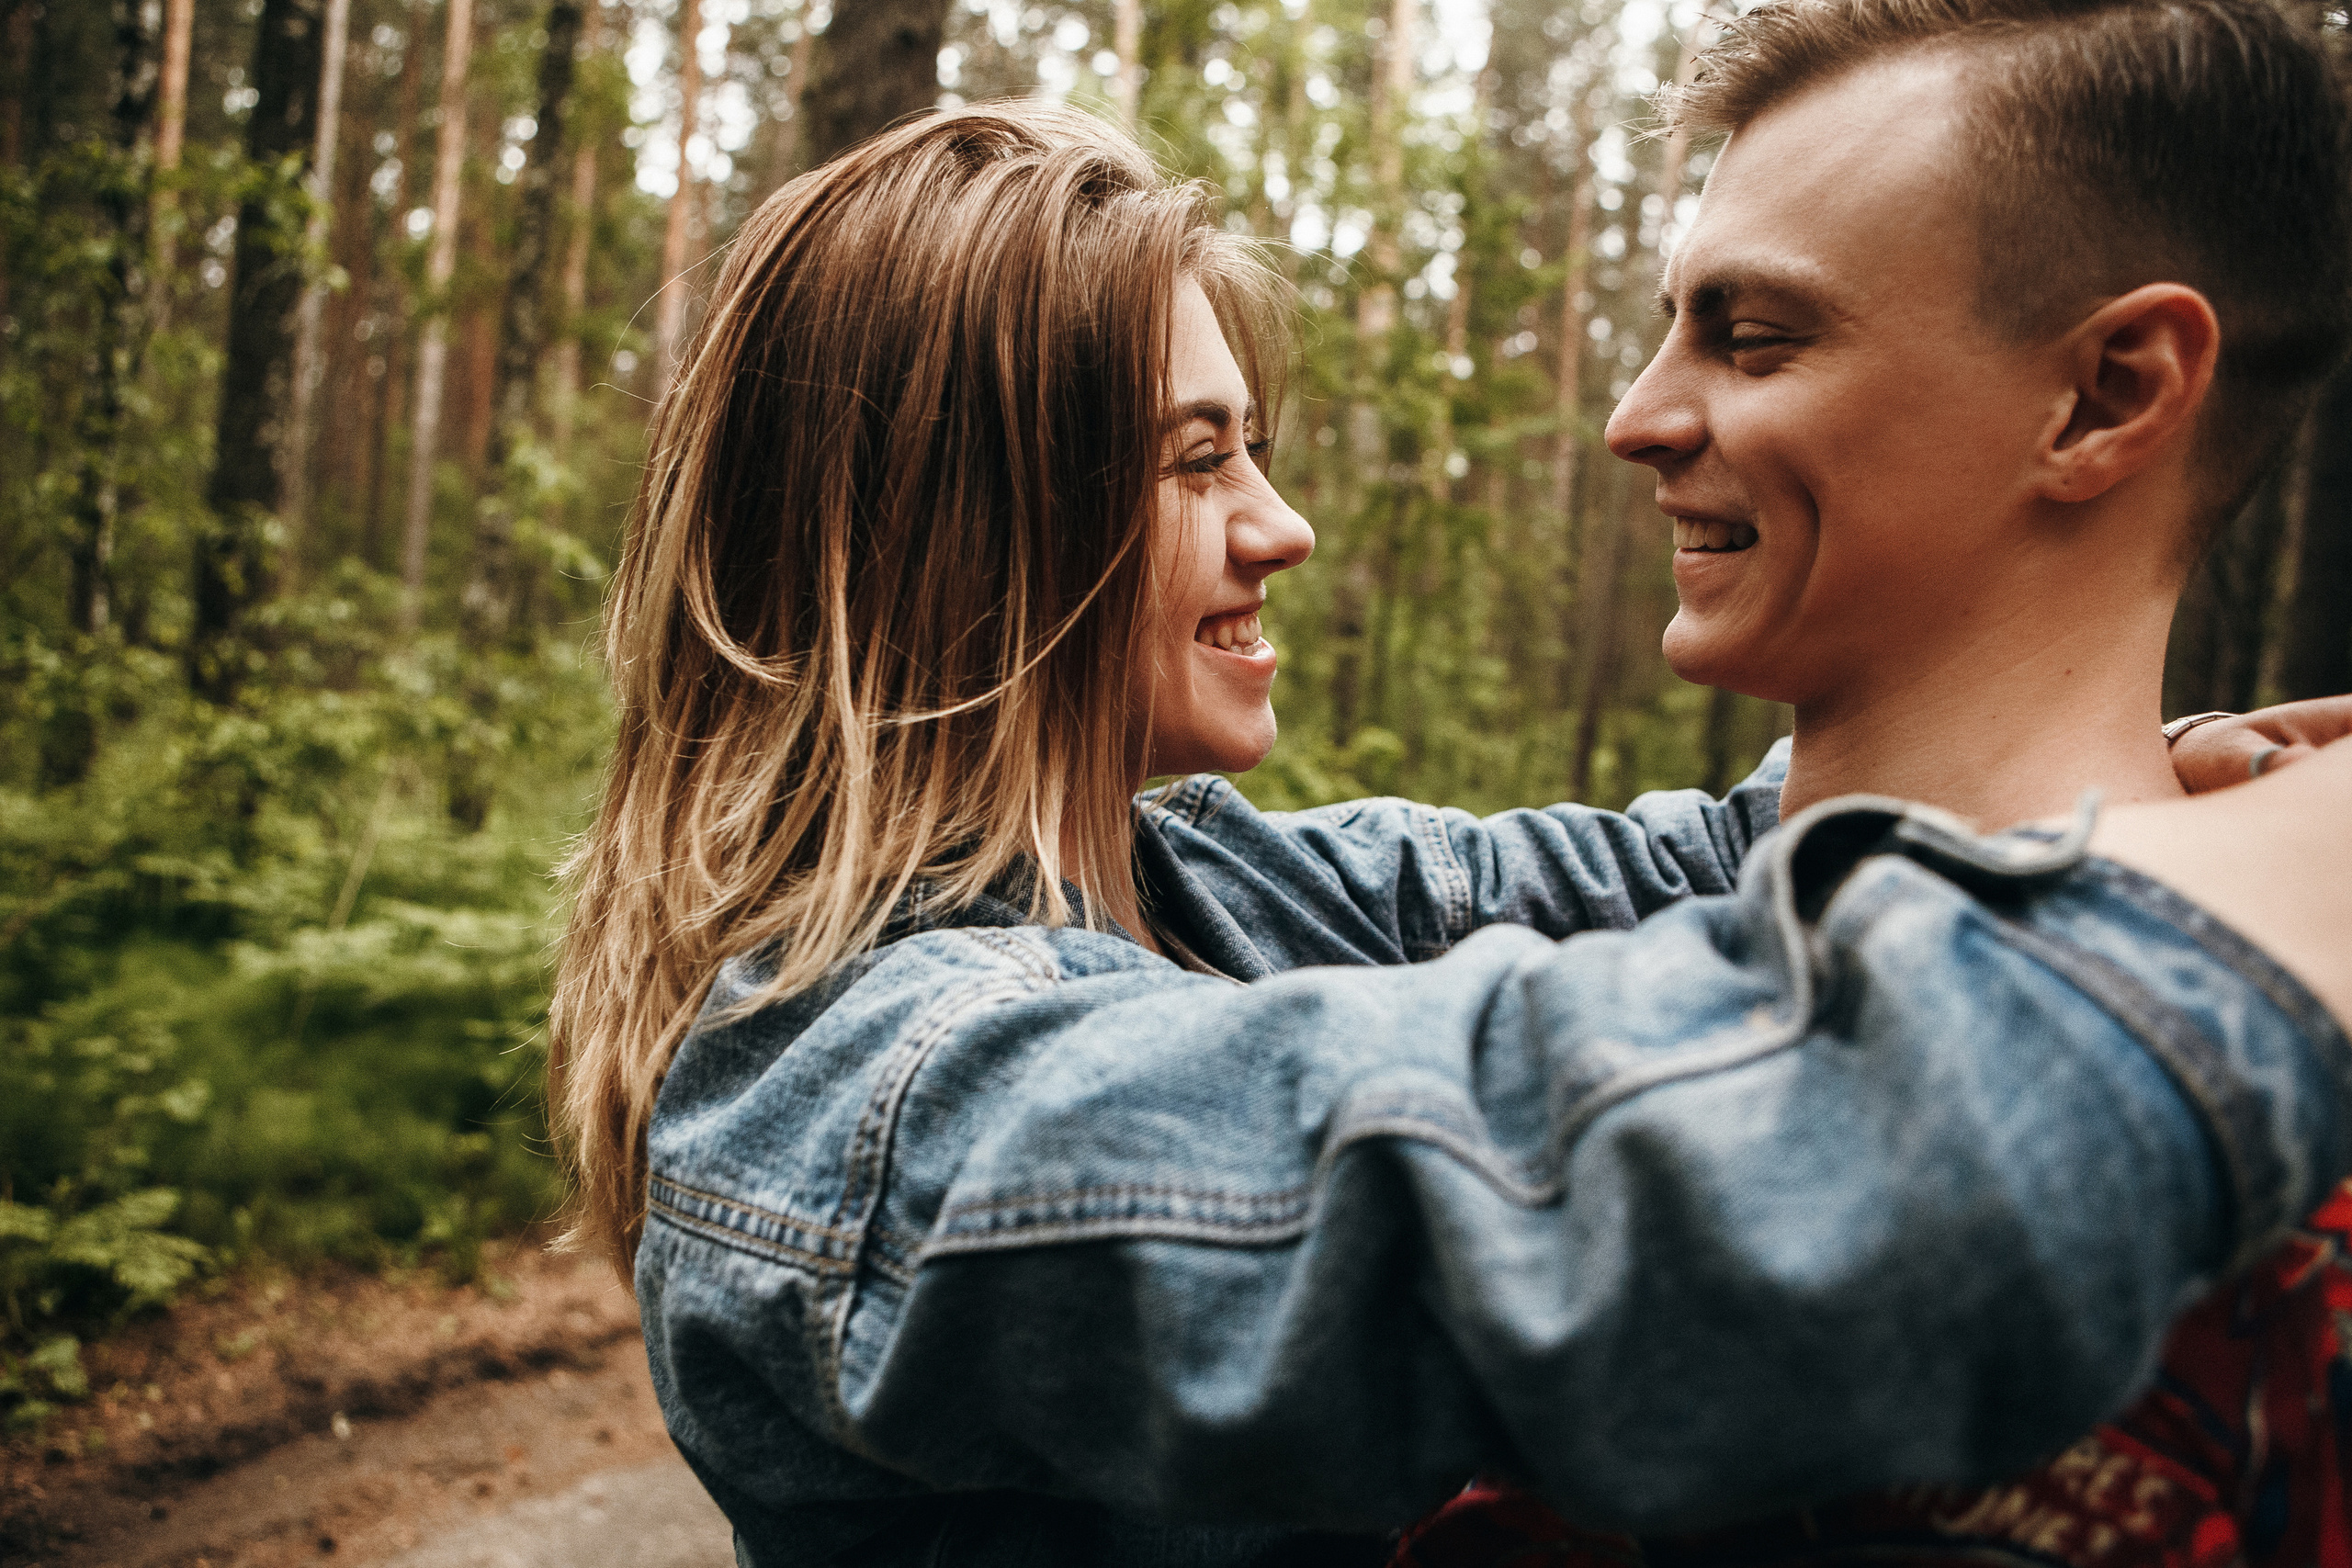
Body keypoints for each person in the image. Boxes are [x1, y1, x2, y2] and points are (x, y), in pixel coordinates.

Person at [548, 102, 2352, 1568]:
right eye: (1196, 462)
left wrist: (2159, 769)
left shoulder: (1195, 878)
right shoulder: (858, 1095)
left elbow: (1646, 866)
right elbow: (1610, 1206)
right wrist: (2283, 888)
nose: (1283, 527)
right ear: (971, 530)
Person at [1385, 0, 2352, 1563]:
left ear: (2107, 395)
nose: (1636, 417)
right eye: (1665, 327)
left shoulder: (2294, 1202)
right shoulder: (1546, 984)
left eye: (1753, 338)